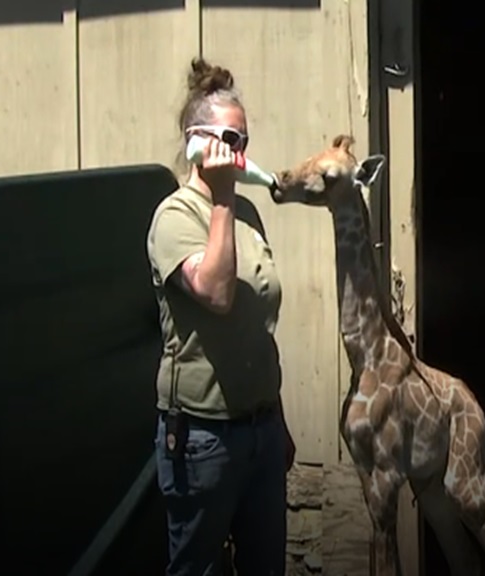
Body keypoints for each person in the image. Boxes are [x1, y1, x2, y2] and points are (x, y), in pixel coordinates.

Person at [145, 56, 294, 576]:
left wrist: (278, 421)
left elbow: (257, 325)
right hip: (202, 438)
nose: (240, 153)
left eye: (245, 140)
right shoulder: (174, 218)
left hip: (260, 429)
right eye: (230, 140)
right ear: (196, 142)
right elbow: (216, 292)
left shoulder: (246, 214)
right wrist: (224, 199)